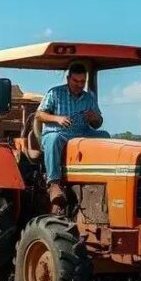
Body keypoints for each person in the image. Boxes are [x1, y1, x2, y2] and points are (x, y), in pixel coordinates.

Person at [35, 62, 105, 214]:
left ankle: (101, 177)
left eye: (82, 82)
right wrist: (57, 118)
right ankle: (54, 183)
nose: (79, 85)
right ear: (68, 79)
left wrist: (95, 117)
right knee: (53, 139)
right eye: (76, 81)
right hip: (59, 132)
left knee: (104, 136)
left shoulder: (89, 98)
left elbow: (98, 123)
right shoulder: (55, 93)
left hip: (82, 134)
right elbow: (39, 115)